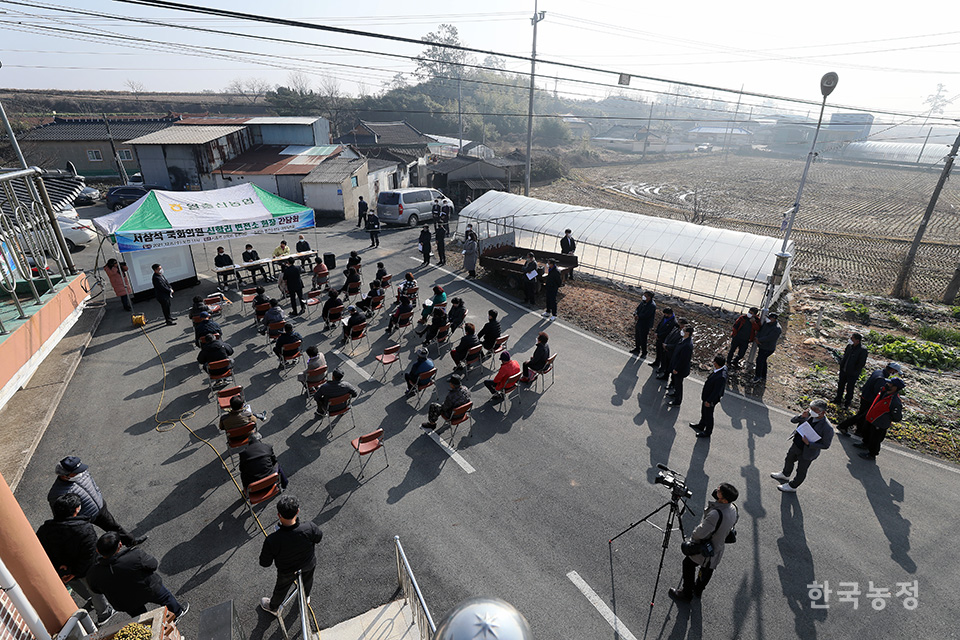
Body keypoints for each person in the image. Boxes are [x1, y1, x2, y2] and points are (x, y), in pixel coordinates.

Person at [37, 494, 115, 624]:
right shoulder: (84, 529)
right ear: (76, 510)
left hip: (63, 569)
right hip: (83, 569)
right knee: (94, 589)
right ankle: (104, 613)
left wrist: (62, 569)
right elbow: (89, 555)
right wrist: (74, 571)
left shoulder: (44, 530)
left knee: (77, 584)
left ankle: (90, 601)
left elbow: (43, 550)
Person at [47, 456, 145, 548]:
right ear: (65, 475)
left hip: (100, 507)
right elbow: (61, 516)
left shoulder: (82, 472)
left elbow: (93, 484)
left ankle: (130, 542)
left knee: (115, 527)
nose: (81, 473)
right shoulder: (56, 494)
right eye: (76, 472)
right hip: (84, 519)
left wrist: (99, 497)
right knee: (90, 540)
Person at [88, 532, 188, 621]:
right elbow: (153, 564)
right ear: (120, 545)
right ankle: (176, 613)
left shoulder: (93, 573)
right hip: (148, 588)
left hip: (124, 602)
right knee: (165, 598)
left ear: (98, 551)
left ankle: (150, 629)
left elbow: (96, 590)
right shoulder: (135, 555)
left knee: (141, 616)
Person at [668, 483, 739, 603]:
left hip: (706, 547)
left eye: (719, 491)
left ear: (724, 499)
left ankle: (686, 593)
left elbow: (700, 533)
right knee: (708, 569)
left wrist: (693, 537)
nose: (716, 490)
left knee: (688, 564)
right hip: (718, 546)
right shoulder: (733, 509)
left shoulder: (716, 514)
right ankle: (698, 590)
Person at [259, 496, 323, 616]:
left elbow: (265, 563)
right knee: (308, 580)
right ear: (297, 511)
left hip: (287, 571)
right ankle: (306, 596)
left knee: (281, 589)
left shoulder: (272, 540)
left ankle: (273, 607)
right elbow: (318, 537)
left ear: (279, 515)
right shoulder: (309, 527)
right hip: (308, 563)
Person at [771, 399, 834, 493]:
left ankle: (793, 486)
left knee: (801, 470)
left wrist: (809, 443)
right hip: (796, 444)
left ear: (822, 412)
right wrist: (801, 416)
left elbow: (825, 445)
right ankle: (785, 474)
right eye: (811, 408)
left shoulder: (827, 428)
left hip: (808, 452)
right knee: (789, 459)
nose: (811, 411)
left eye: (814, 409)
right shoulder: (808, 414)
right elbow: (793, 420)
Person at [837, 362, 901, 436]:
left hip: (865, 396)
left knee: (862, 415)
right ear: (892, 370)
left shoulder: (878, 372)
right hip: (869, 399)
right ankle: (843, 426)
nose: (895, 373)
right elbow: (877, 392)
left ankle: (859, 431)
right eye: (895, 372)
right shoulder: (882, 379)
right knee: (861, 416)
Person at [855, 378, 905, 461]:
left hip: (880, 423)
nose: (887, 384)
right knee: (866, 432)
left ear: (895, 388)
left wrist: (886, 419)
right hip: (871, 418)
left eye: (890, 384)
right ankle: (865, 444)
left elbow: (897, 417)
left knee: (875, 439)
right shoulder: (883, 391)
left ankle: (872, 454)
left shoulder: (895, 401)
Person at [690, 355, 728, 438]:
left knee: (709, 415)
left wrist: (709, 401)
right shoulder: (721, 369)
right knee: (704, 411)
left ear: (716, 363)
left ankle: (707, 432)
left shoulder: (721, 377)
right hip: (707, 396)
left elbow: (716, 392)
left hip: (711, 399)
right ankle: (701, 425)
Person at [834, 332, 869, 408]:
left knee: (850, 388)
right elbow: (845, 357)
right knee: (841, 385)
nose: (850, 340)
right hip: (844, 370)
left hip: (852, 373)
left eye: (852, 338)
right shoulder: (849, 347)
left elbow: (861, 363)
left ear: (857, 341)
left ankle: (847, 403)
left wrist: (854, 371)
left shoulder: (862, 350)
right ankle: (838, 399)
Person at [666, 325, 694, 407]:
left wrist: (677, 369)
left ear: (687, 333)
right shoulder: (684, 340)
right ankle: (675, 394)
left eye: (684, 330)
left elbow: (683, 360)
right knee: (676, 384)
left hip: (680, 369)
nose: (682, 331)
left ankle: (677, 401)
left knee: (679, 384)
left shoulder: (687, 345)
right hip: (676, 365)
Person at [752, 312, 782, 384]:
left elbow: (769, 338)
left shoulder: (777, 328)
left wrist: (759, 340)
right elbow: (760, 331)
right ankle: (763, 375)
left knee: (759, 360)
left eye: (770, 318)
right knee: (763, 360)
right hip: (762, 346)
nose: (768, 319)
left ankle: (758, 376)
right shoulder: (767, 323)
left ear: (774, 319)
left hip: (768, 348)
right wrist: (757, 337)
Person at [632, 291, 656, 357]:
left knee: (643, 338)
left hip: (645, 324)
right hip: (639, 322)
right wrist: (635, 313)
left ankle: (644, 352)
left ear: (649, 297)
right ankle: (637, 349)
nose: (643, 296)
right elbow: (638, 308)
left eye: (645, 295)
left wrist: (639, 316)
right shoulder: (643, 302)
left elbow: (647, 315)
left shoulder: (652, 305)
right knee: (637, 336)